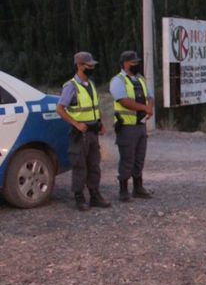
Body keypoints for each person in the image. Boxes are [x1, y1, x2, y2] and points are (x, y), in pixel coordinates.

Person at [56, 52, 111, 211]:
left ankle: (94, 195)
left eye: (93, 65)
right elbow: (60, 109)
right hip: (79, 134)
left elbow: (94, 107)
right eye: (89, 66)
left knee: (94, 164)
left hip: (93, 132)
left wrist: (100, 123)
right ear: (79, 65)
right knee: (80, 165)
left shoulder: (91, 84)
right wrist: (76, 124)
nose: (92, 68)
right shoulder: (71, 86)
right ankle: (79, 197)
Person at [110, 50, 154, 202]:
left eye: (137, 62)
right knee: (127, 159)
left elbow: (150, 96)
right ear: (125, 64)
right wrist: (144, 108)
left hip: (140, 125)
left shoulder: (140, 79)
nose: (137, 64)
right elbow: (123, 101)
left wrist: (150, 107)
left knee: (139, 158)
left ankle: (138, 187)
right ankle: (123, 190)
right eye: (133, 62)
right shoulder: (118, 81)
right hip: (127, 127)